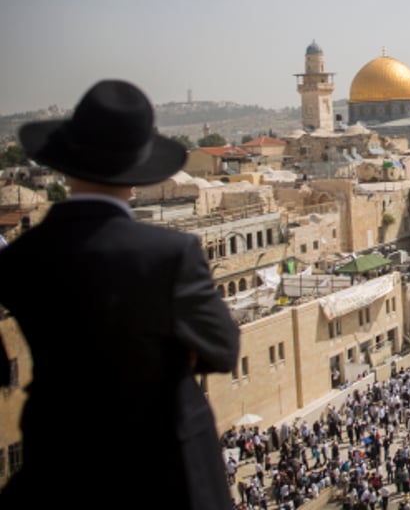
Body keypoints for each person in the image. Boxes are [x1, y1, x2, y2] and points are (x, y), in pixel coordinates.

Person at [0, 79, 240, 509]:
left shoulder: (19, 257)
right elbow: (222, 348)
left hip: (61, 466)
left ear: (67, 164)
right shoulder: (169, 253)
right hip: (166, 468)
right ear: (138, 170)